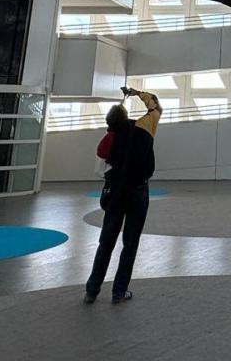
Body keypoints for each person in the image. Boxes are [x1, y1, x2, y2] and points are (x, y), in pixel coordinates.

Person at [86, 86, 161, 305]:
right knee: (130, 242)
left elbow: (99, 170)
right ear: (127, 117)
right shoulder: (145, 127)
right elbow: (156, 106)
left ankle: (92, 289)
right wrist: (137, 93)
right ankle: (119, 291)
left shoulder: (108, 139)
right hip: (138, 190)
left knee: (106, 242)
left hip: (116, 192)